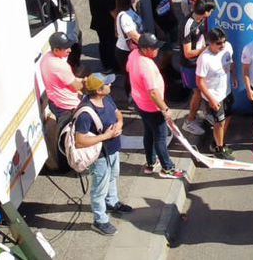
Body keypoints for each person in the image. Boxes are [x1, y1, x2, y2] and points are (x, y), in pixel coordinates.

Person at [74, 72, 131, 236]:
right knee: (99, 187)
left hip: (113, 149)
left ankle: (112, 202)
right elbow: (80, 141)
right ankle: (100, 220)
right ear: (98, 90)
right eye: (107, 83)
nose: (111, 85)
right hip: (99, 155)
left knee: (113, 175)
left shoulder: (106, 99)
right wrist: (106, 136)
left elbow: (118, 114)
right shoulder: (85, 113)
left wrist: (119, 124)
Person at [127, 33, 184, 179]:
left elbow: (128, 69)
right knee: (160, 136)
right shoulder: (146, 67)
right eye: (154, 48)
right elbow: (153, 93)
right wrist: (165, 109)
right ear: (145, 48)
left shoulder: (134, 54)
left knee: (149, 132)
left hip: (139, 102)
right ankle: (167, 168)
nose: (157, 50)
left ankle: (151, 162)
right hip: (152, 107)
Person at [196, 27, 238, 160]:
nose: (223, 45)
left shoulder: (227, 48)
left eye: (224, 41)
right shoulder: (204, 59)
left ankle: (217, 142)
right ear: (211, 43)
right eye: (219, 43)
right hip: (214, 97)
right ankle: (219, 150)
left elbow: (230, 60)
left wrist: (234, 76)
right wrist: (211, 100)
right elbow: (199, 81)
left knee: (228, 117)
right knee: (219, 122)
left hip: (226, 92)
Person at [180, 0, 214, 135]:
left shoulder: (201, 20)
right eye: (211, 10)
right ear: (205, 12)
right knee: (198, 92)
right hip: (190, 65)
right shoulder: (188, 25)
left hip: (199, 61)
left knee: (204, 89)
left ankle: (206, 113)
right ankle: (189, 121)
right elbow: (187, 53)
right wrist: (206, 49)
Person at [40, 31, 83, 119]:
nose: (70, 50)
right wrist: (83, 82)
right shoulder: (62, 67)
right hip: (69, 106)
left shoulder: (46, 58)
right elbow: (77, 87)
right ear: (56, 50)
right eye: (66, 48)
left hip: (54, 103)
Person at [87, 0, 117, 73]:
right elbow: (113, 13)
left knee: (103, 43)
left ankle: (106, 64)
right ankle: (111, 66)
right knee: (110, 45)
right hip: (107, 23)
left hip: (98, 21)